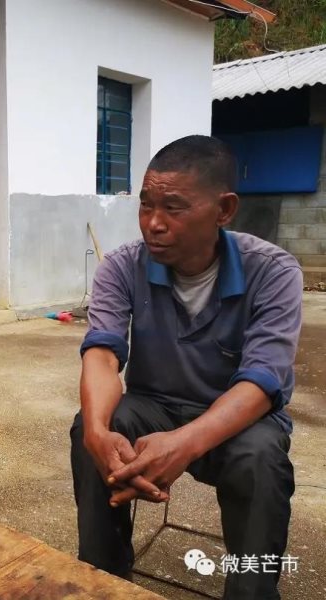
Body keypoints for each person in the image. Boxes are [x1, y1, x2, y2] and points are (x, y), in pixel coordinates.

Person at [70, 135, 301, 599]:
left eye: (173, 208)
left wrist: (183, 444)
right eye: (146, 205)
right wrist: (96, 431)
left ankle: (252, 591)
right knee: (93, 430)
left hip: (236, 422)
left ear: (224, 209)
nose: (153, 223)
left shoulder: (273, 272)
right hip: (155, 408)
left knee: (261, 458)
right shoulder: (122, 267)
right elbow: (103, 354)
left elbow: (262, 382)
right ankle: (103, 579)